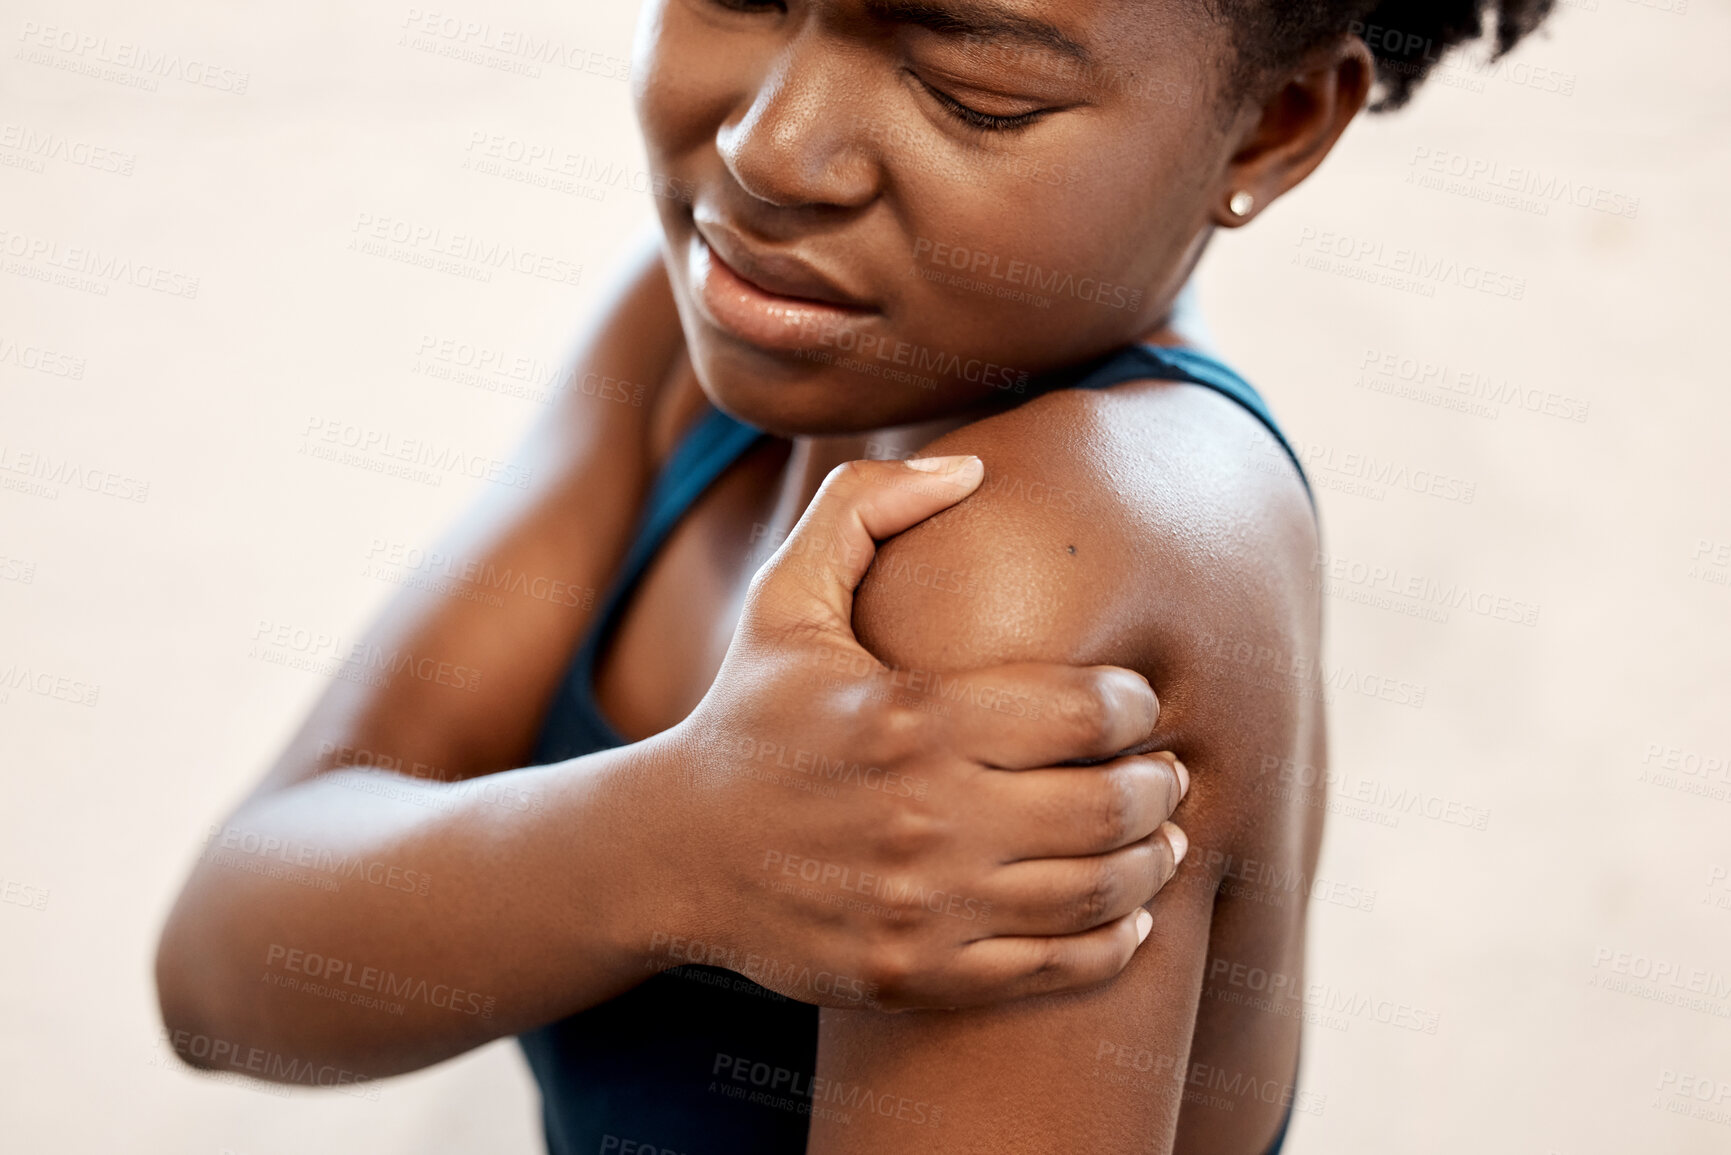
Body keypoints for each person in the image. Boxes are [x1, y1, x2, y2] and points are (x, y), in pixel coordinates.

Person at [156, 1, 1554, 1151]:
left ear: (1273, 123)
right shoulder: (704, 341)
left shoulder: (1036, 555)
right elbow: (224, 965)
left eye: (972, 86)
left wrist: (647, 852)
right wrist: (671, 841)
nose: (772, 150)